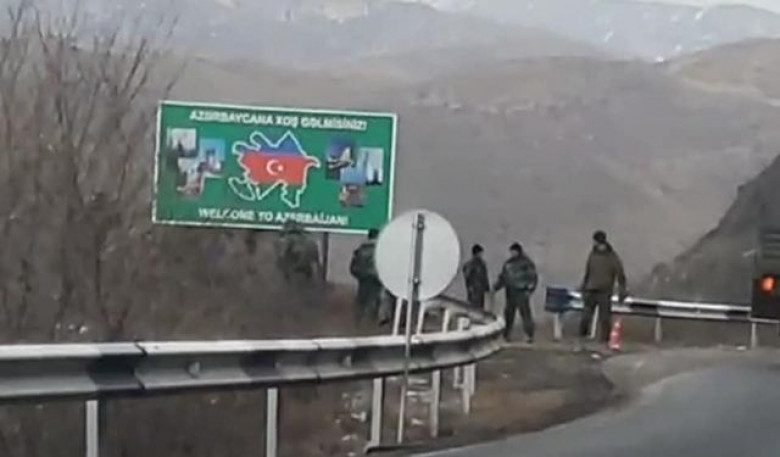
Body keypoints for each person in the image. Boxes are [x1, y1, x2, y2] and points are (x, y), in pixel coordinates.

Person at [578, 231, 628, 347]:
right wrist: (584, 287)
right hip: (591, 290)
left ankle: (604, 342)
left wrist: (622, 290)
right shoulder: (593, 255)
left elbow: (620, 274)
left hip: (604, 291)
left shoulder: (611, 256)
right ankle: (582, 339)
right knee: (586, 317)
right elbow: (588, 273)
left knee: (604, 318)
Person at [493, 243, 538, 343]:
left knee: (525, 314)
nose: (512, 253)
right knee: (509, 314)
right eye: (511, 252)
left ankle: (529, 334)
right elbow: (503, 277)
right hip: (510, 292)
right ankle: (506, 334)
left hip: (522, 292)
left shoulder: (526, 263)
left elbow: (533, 277)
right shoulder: (508, 264)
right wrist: (495, 288)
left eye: (514, 251)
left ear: (518, 251)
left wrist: (530, 290)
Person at [350, 229, 382, 326]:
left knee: (361, 302)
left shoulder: (360, 250)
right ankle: (369, 326)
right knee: (373, 303)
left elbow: (353, 268)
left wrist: (360, 275)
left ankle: (357, 323)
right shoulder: (380, 250)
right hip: (376, 280)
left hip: (363, 279)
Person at [275, 220, 321, 284]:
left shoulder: (288, 238)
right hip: (302, 259)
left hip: (299, 258)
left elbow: (283, 250)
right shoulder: (307, 237)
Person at [462, 244, 490, 310]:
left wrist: (469, 286)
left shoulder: (469, 264)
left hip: (474, 289)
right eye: (481, 253)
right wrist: (487, 288)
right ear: (478, 253)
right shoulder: (480, 264)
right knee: (478, 307)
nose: (482, 255)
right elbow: (484, 277)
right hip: (478, 289)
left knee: (473, 306)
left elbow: (466, 276)